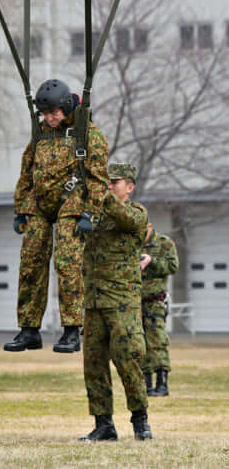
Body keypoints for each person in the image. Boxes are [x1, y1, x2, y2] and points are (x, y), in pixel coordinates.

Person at [4, 79, 109, 354]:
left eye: (54, 113)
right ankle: (29, 329)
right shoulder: (40, 133)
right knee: (31, 261)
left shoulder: (88, 134)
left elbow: (98, 178)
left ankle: (72, 330)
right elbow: (27, 171)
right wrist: (21, 208)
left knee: (67, 263)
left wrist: (91, 212)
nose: (50, 119)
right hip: (39, 204)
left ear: (65, 108)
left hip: (72, 204)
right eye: (46, 114)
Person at [80, 163, 152, 442]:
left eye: (115, 182)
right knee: (94, 364)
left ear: (129, 187)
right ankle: (104, 424)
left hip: (122, 300)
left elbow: (127, 219)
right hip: (94, 300)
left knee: (129, 360)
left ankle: (140, 420)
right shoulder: (96, 215)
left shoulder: (136, 213)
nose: (109, 186)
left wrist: (99, 190)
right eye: (106, 182)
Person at [140, 224, 179, 396]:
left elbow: (173, 266)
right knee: (139, 343)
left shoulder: (164, 243)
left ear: (149, 226)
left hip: (155, 300)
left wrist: (151, 261)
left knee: (157, 341)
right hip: (134, 301)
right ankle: (146, 384)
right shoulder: (131, 243)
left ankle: (162, 383)